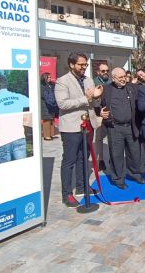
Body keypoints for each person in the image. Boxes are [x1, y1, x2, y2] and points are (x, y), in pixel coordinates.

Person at [55, 53, 103, 208]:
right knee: (69, 160)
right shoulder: (62, 82)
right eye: (81, 64)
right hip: (71, 127)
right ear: (71, 64)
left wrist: (97, 97)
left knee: (84, 157)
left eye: (85, 65)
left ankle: (82, 187)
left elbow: (93, 101)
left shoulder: (88, 80)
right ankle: (67, 193)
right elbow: (62, 104)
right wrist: (86, 98)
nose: (84, 67)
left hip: (88, 125)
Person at [99, 67, 144, 189]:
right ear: (113, 78)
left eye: (125, 76)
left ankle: (135, 174)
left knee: (134, 153)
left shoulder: (132, 87)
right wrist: (100, 112)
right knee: (116, 155)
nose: (124, 79)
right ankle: (118, 179)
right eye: (120, 77)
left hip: (131, 126)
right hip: (114, 128)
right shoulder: (106, 90)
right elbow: (97, 104)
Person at [0, 74, 31, 163]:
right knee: (21, 171)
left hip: (2, 142)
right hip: (19, 138)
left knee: (6, 174)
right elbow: (34, 105)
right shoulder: (19, 97)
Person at [94, 62, 111, 172]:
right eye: (103, 71)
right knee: (99, 138)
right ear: (98, 72)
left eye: (107, 71)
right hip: (99, 113)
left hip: (111, 113)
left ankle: (112, 159)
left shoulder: (111, 82)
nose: (105, 73)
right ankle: (100, 160)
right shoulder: (93, 82)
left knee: (113, 138)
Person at [41, 73, 59, 141]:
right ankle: (46, 135)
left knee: (52, 119)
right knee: (47, 120)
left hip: (52, 104)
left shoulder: (52, 85)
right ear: (44, 78)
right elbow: (43, 95)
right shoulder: (42, 85)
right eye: (48, 77)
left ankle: (52, 134)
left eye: (50, 77)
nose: (50, 78)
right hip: (45, 105)